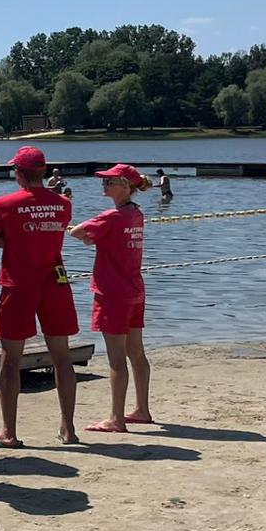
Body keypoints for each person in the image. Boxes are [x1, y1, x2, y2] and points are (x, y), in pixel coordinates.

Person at [0, 146, 80, 448]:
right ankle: (68, 429)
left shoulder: (4, 204)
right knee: (62, 357)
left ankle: (8, 432)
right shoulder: (63, 204)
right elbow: (57, 230)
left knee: (10, 359)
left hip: (18, 284)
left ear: (20, 173)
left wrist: (19, 241)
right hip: (55, 281)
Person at [72, 164, 153, 433]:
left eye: (110, 182)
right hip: (134, 290)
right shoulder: (135, 214)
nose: (104, 185)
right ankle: (142, 409)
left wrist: (89, 236)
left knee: (117, 359)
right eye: (104, 181)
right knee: (136, 353)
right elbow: (95, 237)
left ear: (126, 186)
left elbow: (76, 232)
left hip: (111, 293)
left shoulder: (111, 217)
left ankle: (116, 418)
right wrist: (92, 238)